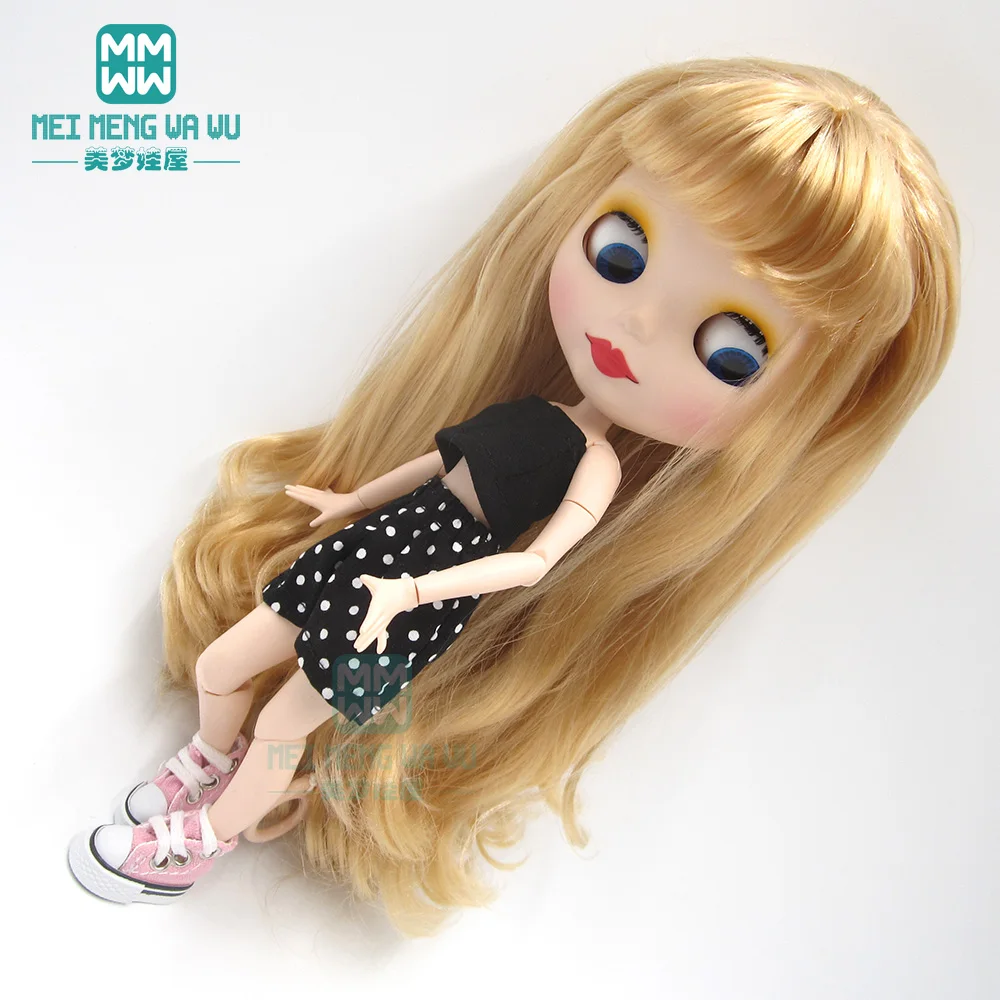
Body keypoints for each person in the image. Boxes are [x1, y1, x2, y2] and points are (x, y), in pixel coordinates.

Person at [67, 56, 960, 934]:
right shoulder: (533, 409)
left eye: (729, 349)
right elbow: (441, 463)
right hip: (375, 548)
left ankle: (198, 844)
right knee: (225, 666)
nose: (639, 320)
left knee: (284, 727)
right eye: (622, 250)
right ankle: (204, 764)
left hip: (416, 613)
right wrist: (352, 501)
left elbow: (531, 564)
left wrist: (414, 593)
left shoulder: (596, 470)